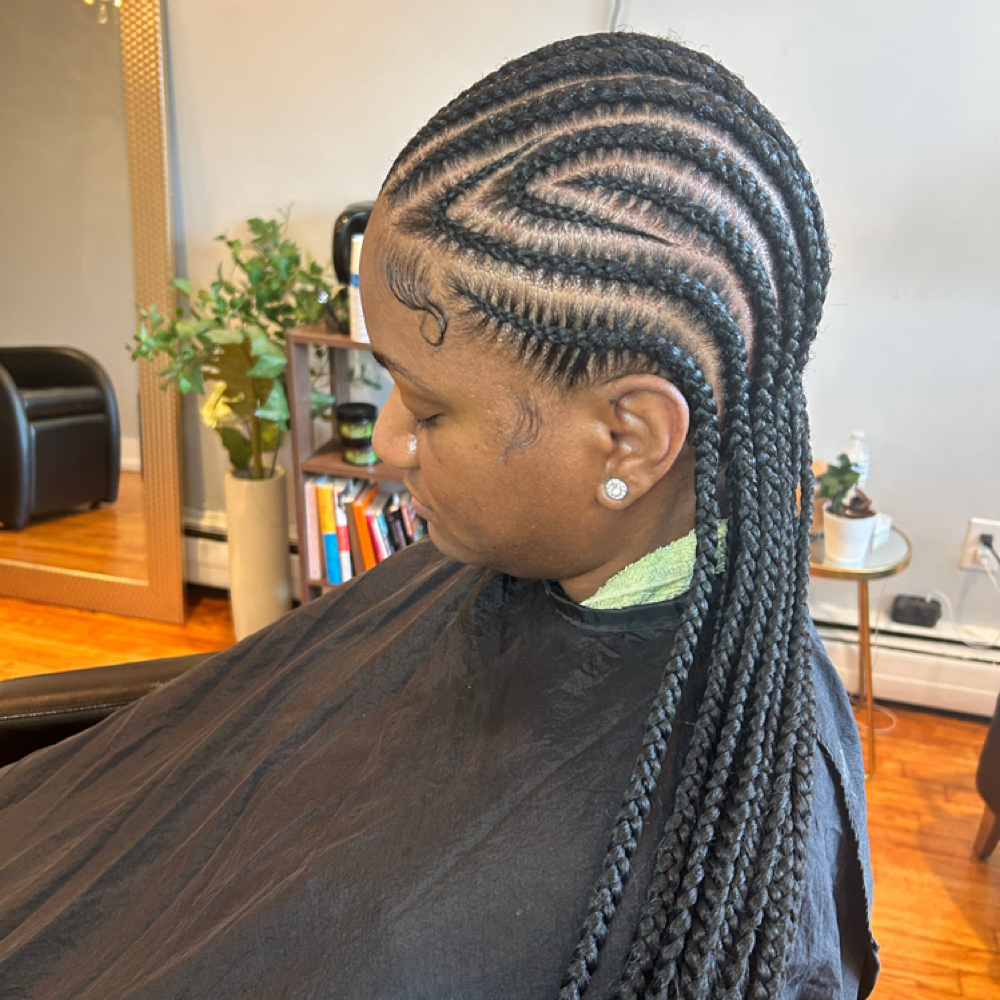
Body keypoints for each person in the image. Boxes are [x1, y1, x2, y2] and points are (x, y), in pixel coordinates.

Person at [0, 32, 877, 1000]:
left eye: (426, 405)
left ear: (627, 437)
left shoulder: (731, 857)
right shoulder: (490, 557)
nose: (387, 441)